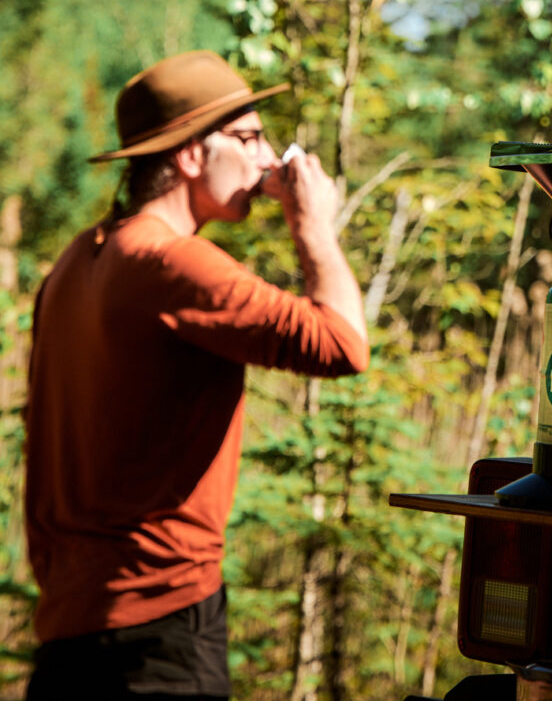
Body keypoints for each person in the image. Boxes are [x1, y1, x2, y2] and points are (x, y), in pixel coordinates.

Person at [23, 50, 369, 699]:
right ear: (189, 155)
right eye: (248, 137)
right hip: (158, 643)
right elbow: (343, 344)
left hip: (66, 640)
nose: (269, 159)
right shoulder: (174, 264)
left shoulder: (76, 261)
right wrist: (313, 225)